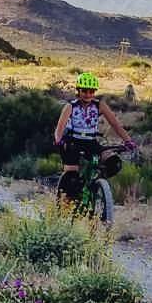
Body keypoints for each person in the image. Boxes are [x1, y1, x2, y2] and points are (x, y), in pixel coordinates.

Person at [53, 72, 135, 207]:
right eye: (84, 91)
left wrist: (128, 141)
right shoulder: (70, 106)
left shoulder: (99, 105)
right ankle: (66, 205)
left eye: (91, 91)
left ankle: (96, 185)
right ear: (78, 90)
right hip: (72, 141)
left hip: (91, 142)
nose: (88, 94)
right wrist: (58, 139)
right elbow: (59, 128)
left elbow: (115, 124)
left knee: (114, 163)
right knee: (71, 176)